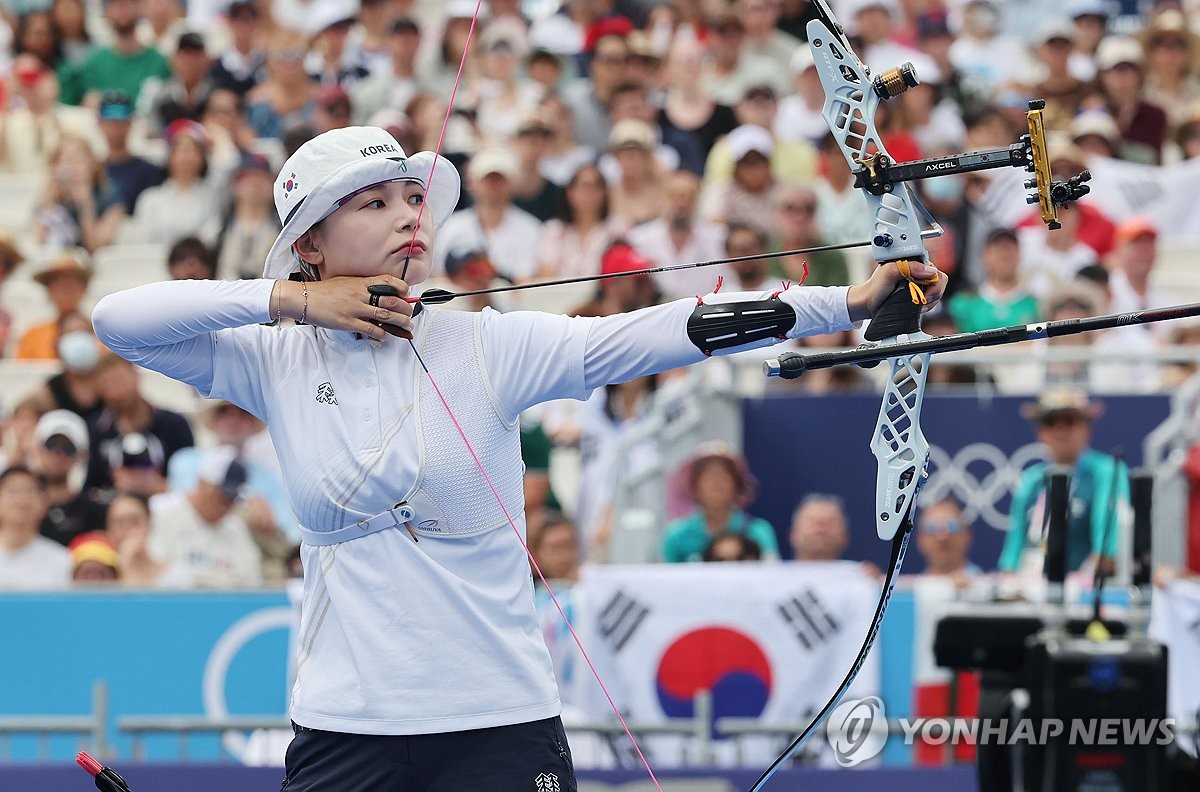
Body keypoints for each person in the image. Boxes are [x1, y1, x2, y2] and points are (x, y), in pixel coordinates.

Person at [90, 124, 945, 790]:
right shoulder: (269, 356)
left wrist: (849, 301)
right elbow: (118, 320)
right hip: (346, 728)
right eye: (374, 203)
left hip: (500, 724)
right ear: (311, 242)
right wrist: (292, 300)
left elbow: (648, 333)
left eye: (406, 198)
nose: (406, 216)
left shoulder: (487, 344)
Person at [999, 389, 1129, 577]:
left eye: (1069, 421)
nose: (1060, 431)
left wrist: (1075, 584)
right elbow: (1013, 552)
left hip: (1083, 592)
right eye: (1050, 422)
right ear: (1039, 432)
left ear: (1087, 428)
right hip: (1030, 588)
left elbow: (1108, 552)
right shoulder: (1031, 479)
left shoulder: (1107, 471)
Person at [148, 445, 263, 588]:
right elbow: (149, 574)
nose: (226, 504)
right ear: (202, 481)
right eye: (222, 495)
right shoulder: (161, 511)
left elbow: (252, 584)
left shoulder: (236, 528)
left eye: (232, 498)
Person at [661, 442, 780, 563]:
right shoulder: (676, 536)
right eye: (708, 476)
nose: (716, 483)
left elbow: (771, 575)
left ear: (736, 485)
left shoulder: (759, 531)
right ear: (694, 486)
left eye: (724, 475)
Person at [32, 409, 106, 547]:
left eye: (69, 448)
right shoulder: (19, 505)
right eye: (51, 445)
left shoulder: (94, 512)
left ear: (82, 455)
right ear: (37, 448)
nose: (58, 453)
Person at [0, 466, 71, 589]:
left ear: (44, 503)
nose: (21, 500)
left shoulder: (63, 561)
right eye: (13, 491)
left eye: (29, 491)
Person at [16, 250, 94, 361]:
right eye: (58, 282)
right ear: (49, 291)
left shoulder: (102, 335)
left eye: (72, 282)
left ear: (84, 288)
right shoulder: (33, 336)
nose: (66, 288)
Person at [915, 498, 981, 585]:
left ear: (967, 534)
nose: (942, 537)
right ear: (920, 539)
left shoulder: (990, 589)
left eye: (952, 526)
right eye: (931, 528)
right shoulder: (906, 592)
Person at [789, 493, 849, 562]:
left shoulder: (859, 572)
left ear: (845, 535)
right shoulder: (775, 571)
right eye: (812, 520)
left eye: (829, 521)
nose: (820, 526)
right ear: (793, 534)